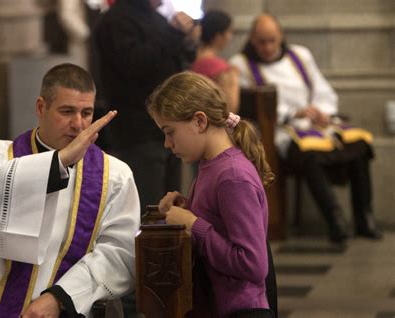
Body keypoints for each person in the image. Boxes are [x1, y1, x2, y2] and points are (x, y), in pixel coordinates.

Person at [0, 63, 141, 317]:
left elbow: (119, 251)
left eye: (87, 113)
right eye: (67, 111)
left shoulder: (115, 175)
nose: (79, 124)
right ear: (41, 107)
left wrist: (60, 297)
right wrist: (58, 163)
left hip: (65, 301)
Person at [230, 14, 382, 243]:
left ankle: (364, 218)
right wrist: (294, 114)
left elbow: (322, 89)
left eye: (272, 40)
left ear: (281, 36)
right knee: (308, 155)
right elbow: (251, 107)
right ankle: (335, 220)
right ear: (252, 39)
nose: (268, 47)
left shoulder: (300, 56)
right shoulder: (240, 65)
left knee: (360, 144)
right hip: (281, 130)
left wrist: (322, 111)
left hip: (319, 124)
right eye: (262, 41)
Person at [147, 71, 274, 317]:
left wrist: (194, 225)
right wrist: (184, 212)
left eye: (170, 132)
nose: (167, 143)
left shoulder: (232, 176)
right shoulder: (210, 166)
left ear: (200, 121)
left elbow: (253, 264)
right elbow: (219, 223)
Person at [94, 0, 200, 213]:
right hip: (138, 131)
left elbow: (177, 60)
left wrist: (188, 41)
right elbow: (135, 64)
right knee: (149, 209)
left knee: (172, 206)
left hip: (167, 129)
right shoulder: (116, 20)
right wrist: (174, 33)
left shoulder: (157, 17)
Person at [191, 9, 240, 113]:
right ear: (219, 36)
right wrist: (234, 78)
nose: (230, 37)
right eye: (229, 32)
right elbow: (230, 108)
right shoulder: (220, 68)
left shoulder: (193, 61)